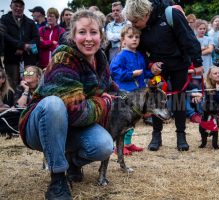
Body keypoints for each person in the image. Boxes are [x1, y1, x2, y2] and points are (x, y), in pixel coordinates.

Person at [18, 9, 118, 200]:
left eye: (93, 32)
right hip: (41, 126)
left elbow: (110, 87)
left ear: (101, 35)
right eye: (82, 32)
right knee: (54, 104)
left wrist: (126, 96)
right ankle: (57, 178)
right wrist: (104, 101)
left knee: (104, 145)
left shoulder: (101, 58)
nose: (88, 38)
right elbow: (77, 113)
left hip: (72, 128)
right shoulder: (64, 58)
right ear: (72, 35)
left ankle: (73, 162)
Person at [123, 0, 203, 151]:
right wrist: (149, 65)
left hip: (179, 64)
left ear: (145, 14)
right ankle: (156, 135)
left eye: (135, 21)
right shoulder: (139, 26)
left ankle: (181, 135)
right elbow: (139, 51)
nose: (133, 24)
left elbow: (188, 38)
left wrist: (197, 62)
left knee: (179, 98)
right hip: (157, 69)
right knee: (155, 100)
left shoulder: (170, 14)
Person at [110, 24, 153, 154]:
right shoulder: (121, 56)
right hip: (125, 93)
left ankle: (127, 143)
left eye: (137, 37)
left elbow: (143, 72)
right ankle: (117, 146)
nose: (134, 39)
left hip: (138, 92)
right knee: (123, 121)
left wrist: (153, 72)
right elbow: (114, 71)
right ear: (123, 40)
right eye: (130, 37)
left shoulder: (140, 55)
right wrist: (131, 74)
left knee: (132, 121)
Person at [1, 0, 39, 89]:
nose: (18, 8)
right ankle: (13, 102)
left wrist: (24, 47)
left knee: (28, 82)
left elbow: (36, 38)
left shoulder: (30, 22)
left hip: (28, 60)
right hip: (11, 59)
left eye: (21, 6)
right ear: (11, 6)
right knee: (12, 84)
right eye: (16, 6)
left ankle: (28, 101)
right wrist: (21, 45)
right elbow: (4, 36)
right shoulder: (4, 19)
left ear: (24, 7)